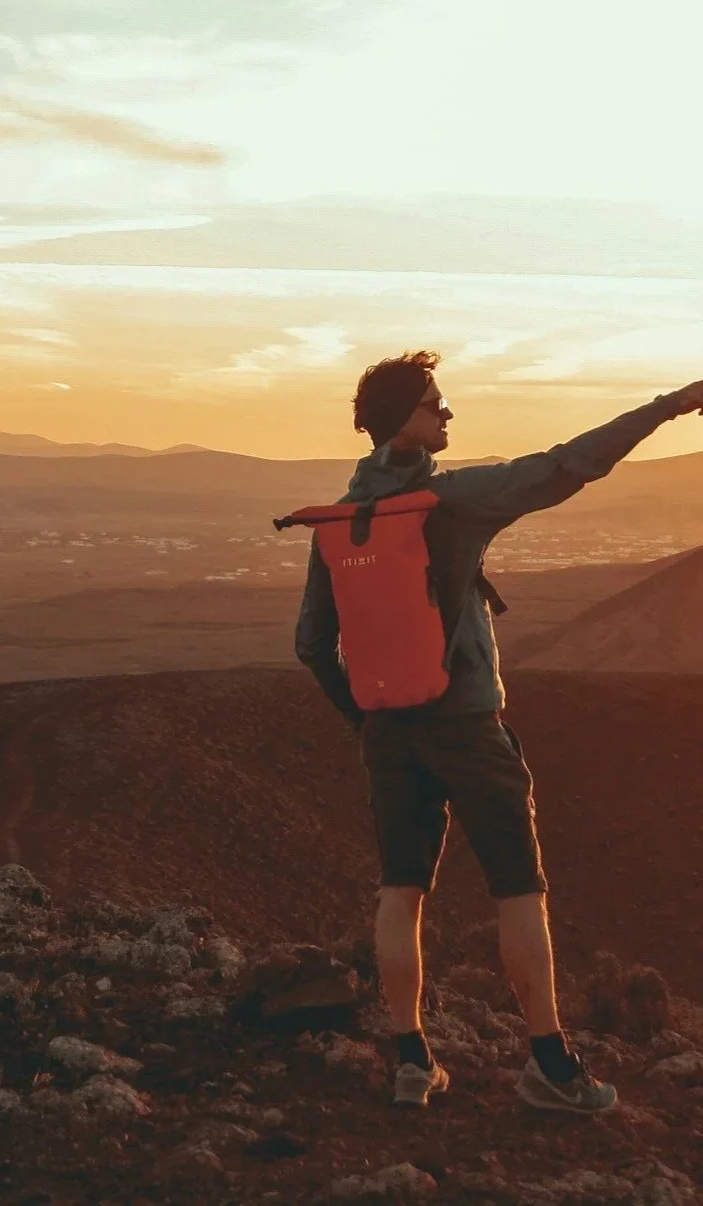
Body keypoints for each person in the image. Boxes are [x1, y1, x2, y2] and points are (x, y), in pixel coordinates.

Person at [295, 352, 703, 1113]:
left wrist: (364, 718)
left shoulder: (342, 517)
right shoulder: (445, 500)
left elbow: (310, 644)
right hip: (464, 725)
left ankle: (411, 1058)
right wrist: (669, 405)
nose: (446, 412)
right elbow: (566, 464)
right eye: (434, 402)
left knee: (400, 888)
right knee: (518, 888)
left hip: (389, 729)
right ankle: (548, 1065)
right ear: (405, 423)